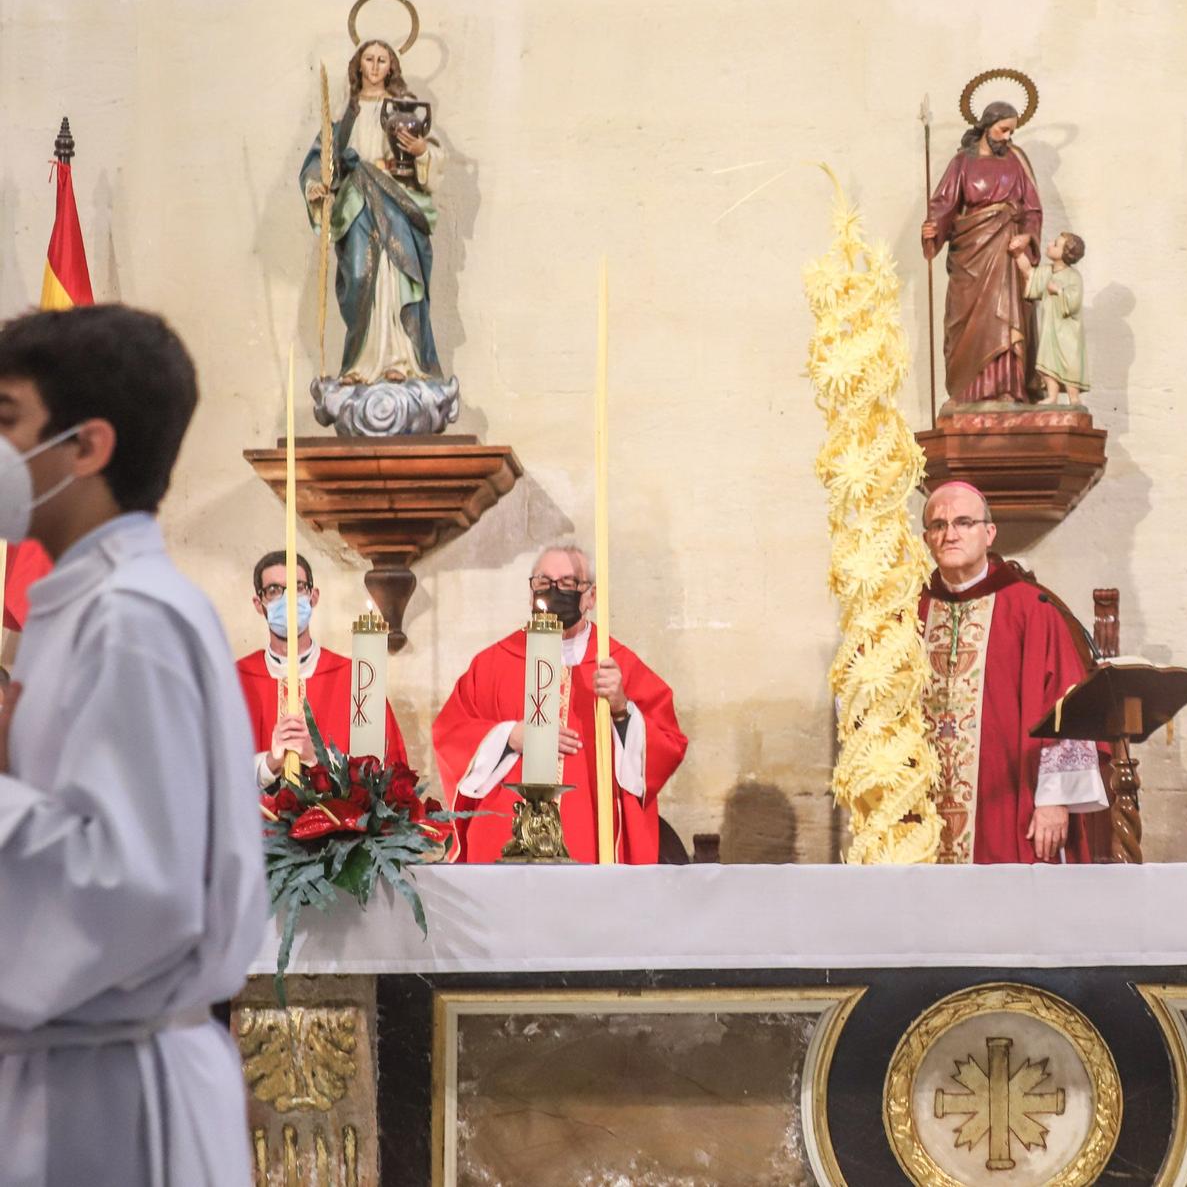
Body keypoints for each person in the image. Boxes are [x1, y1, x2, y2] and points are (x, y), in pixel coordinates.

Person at [0, 306, 264, 1185]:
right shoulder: (79, 607)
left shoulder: (133, 618)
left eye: (6, 420)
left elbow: (133, 888)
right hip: (70, 1065)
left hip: (118, 1101)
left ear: (88, 446)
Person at [431, 545, 688, 863]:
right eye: (543, 581)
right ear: (531, 592)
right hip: (504, 839)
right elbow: (450, 732)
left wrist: (622, 709)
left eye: (567, 583)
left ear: (591, 597)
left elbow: (669, 744)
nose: (554, 591)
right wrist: (510, 737)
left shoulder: (616, 665)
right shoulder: (493, 664)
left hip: (590, 835)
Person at [918, 481, 1106, 863]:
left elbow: (1067, 705)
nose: (950, 534)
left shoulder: (1030, 608)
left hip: (1009, 809)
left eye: (964, 522)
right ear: (926, 538)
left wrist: (1055, 800)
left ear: (989, 533)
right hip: (919, 814)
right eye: (938, 525)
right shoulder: (907, 611)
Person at [301, 38, 444, 385]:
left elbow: (434, 155)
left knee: (397, 275)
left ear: (391, 66)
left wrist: (422, 149)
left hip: (397, 202)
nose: (376, 66)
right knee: (361, 275)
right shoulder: (344, 112)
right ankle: (359, 362)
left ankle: (401, 360)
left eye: (383, 60)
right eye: (369, 59)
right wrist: (316, 186)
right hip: (356, 205)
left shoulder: (405, 107)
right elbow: (320, 159)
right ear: (359, 65)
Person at [236, 549, 407, 786]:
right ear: (258, 603)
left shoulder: (356, 680)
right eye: (274, 591)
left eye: (298, 588)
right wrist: (269, 763)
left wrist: (317, 757)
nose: (288, 601)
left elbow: (385, 773)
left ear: (313, 596)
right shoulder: (234, 681)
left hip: (338, 822)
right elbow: (212, 772)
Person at [921, 102, 1044, 405]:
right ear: (987, 126)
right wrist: (932, 229)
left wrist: (1027, 236)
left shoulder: (1017, 160)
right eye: (1003, 130)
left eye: (1012, 132)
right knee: (966, 319)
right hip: (971, 252)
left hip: (1006, 248)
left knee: (1006, 317)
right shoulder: (962, 163)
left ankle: (1008, 388)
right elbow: (944, 204)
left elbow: (1032, 208)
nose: (1007, 137)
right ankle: (968, 392)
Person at [1015, 230, 1088, 405]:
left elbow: (1074, 303)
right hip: (1050, 328)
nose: (1049, 245)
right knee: (1048, 360)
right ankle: (1052, 396)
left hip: (1068, 331)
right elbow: (1029, 274)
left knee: (1070, 361)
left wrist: (1059, 291)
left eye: (1055, 244)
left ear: (1066, 253)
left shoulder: (1073, 276)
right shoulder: (1048, 272)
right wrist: (1018, 254)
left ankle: (1074, 397)